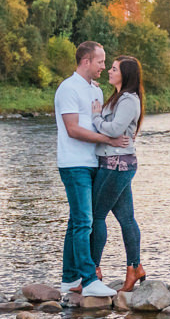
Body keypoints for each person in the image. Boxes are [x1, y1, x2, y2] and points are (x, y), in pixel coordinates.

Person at [54, 41, 128, 298]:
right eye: (100, 61)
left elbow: (100, 122)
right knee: (84, 221)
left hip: (94, 162)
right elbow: (73, 129)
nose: (103, 66)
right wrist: (108, 140)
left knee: (77, 221)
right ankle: (88, 279)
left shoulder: (94, 90)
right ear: (86, 61)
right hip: (74, 165)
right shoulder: (68, 88)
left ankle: (68, 278)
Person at [89, 55, 145, 292]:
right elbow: (113, 131)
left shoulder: (129, 100)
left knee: (97, 215)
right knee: (126, 218)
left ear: (126, 74)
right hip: (117, 163)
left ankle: (92, 270)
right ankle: (134, 267)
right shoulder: (119, 98)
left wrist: (96, 117)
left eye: (114, 69)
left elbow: (114, 129)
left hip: (116, 165)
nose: (109, 71)